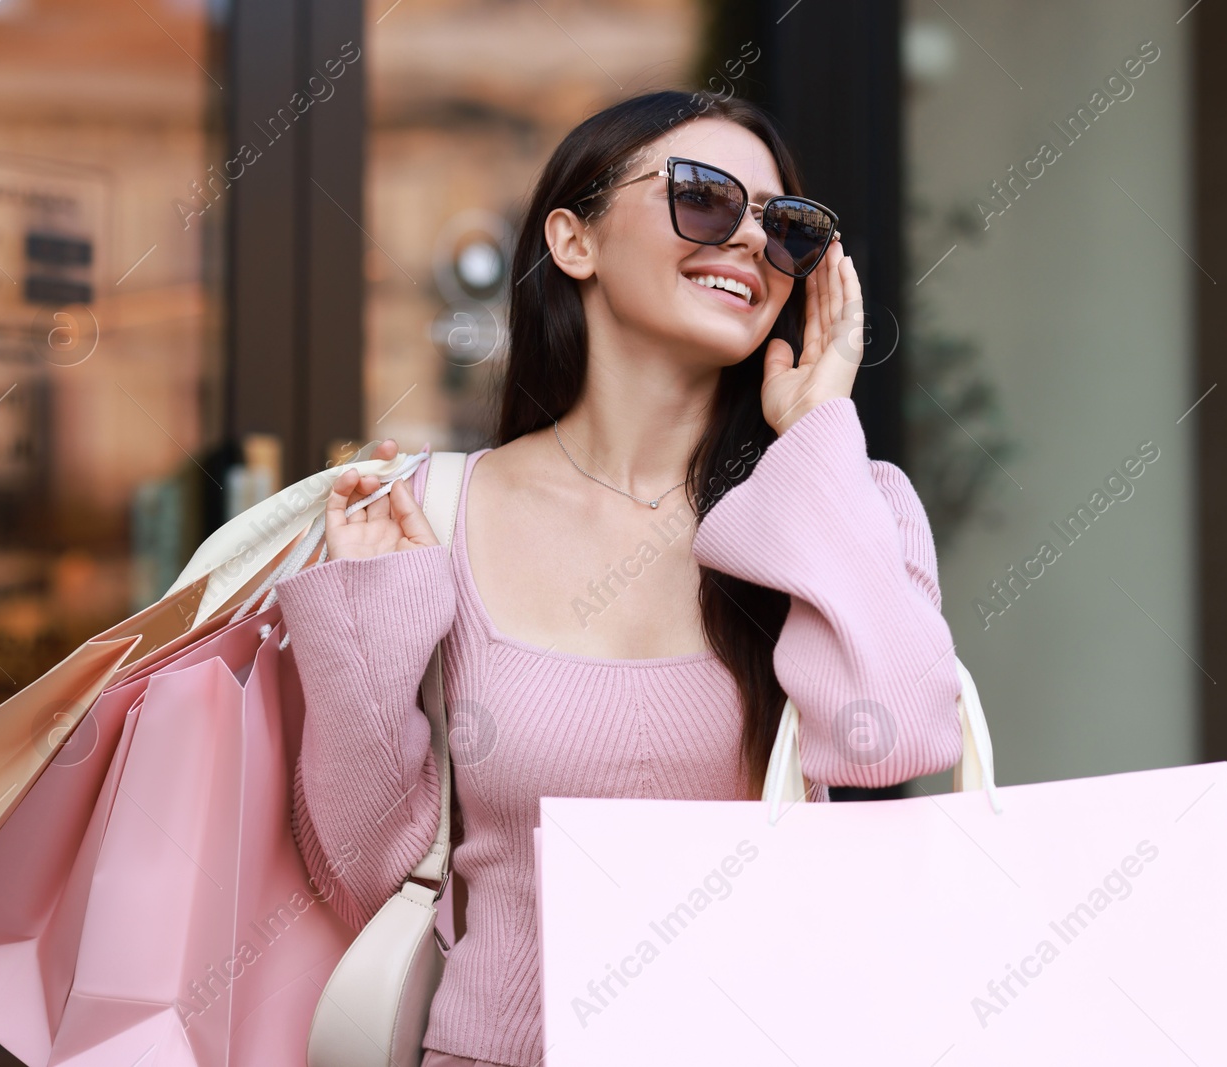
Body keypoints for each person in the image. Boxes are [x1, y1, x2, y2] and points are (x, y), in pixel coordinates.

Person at [273, 89, 964, 1067]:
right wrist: (365, 623)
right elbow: (358, 866)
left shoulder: (840, 496)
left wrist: (814, 432)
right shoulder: (428, 512)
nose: (748, 242)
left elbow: (895, 736)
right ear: (574, 239)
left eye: (784, 225)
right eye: (704, 198)